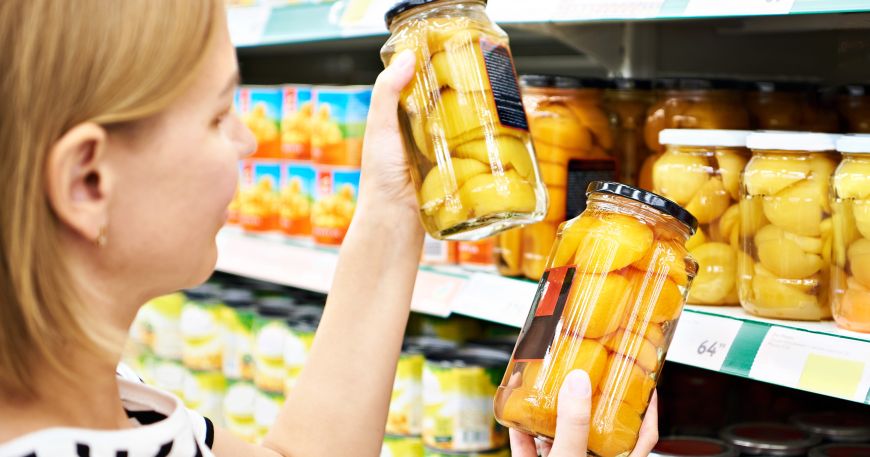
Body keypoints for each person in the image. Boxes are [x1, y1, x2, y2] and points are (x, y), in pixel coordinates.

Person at [0, 1, 658, 456]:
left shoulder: (109, 408)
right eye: (219, 114)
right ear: (88, 182)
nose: (250, 137)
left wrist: (393, 205)